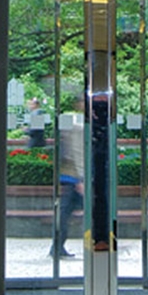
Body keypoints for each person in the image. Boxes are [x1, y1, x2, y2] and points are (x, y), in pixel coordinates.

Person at [49, 99, 85, 258]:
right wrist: (81, 179)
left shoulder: (75, 123)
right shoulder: (78, 126)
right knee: (67, 212)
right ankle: (57, 247)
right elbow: (77, 153)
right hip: (74, 178)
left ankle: (57, 246)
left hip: (70, 176)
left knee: (66, 212)